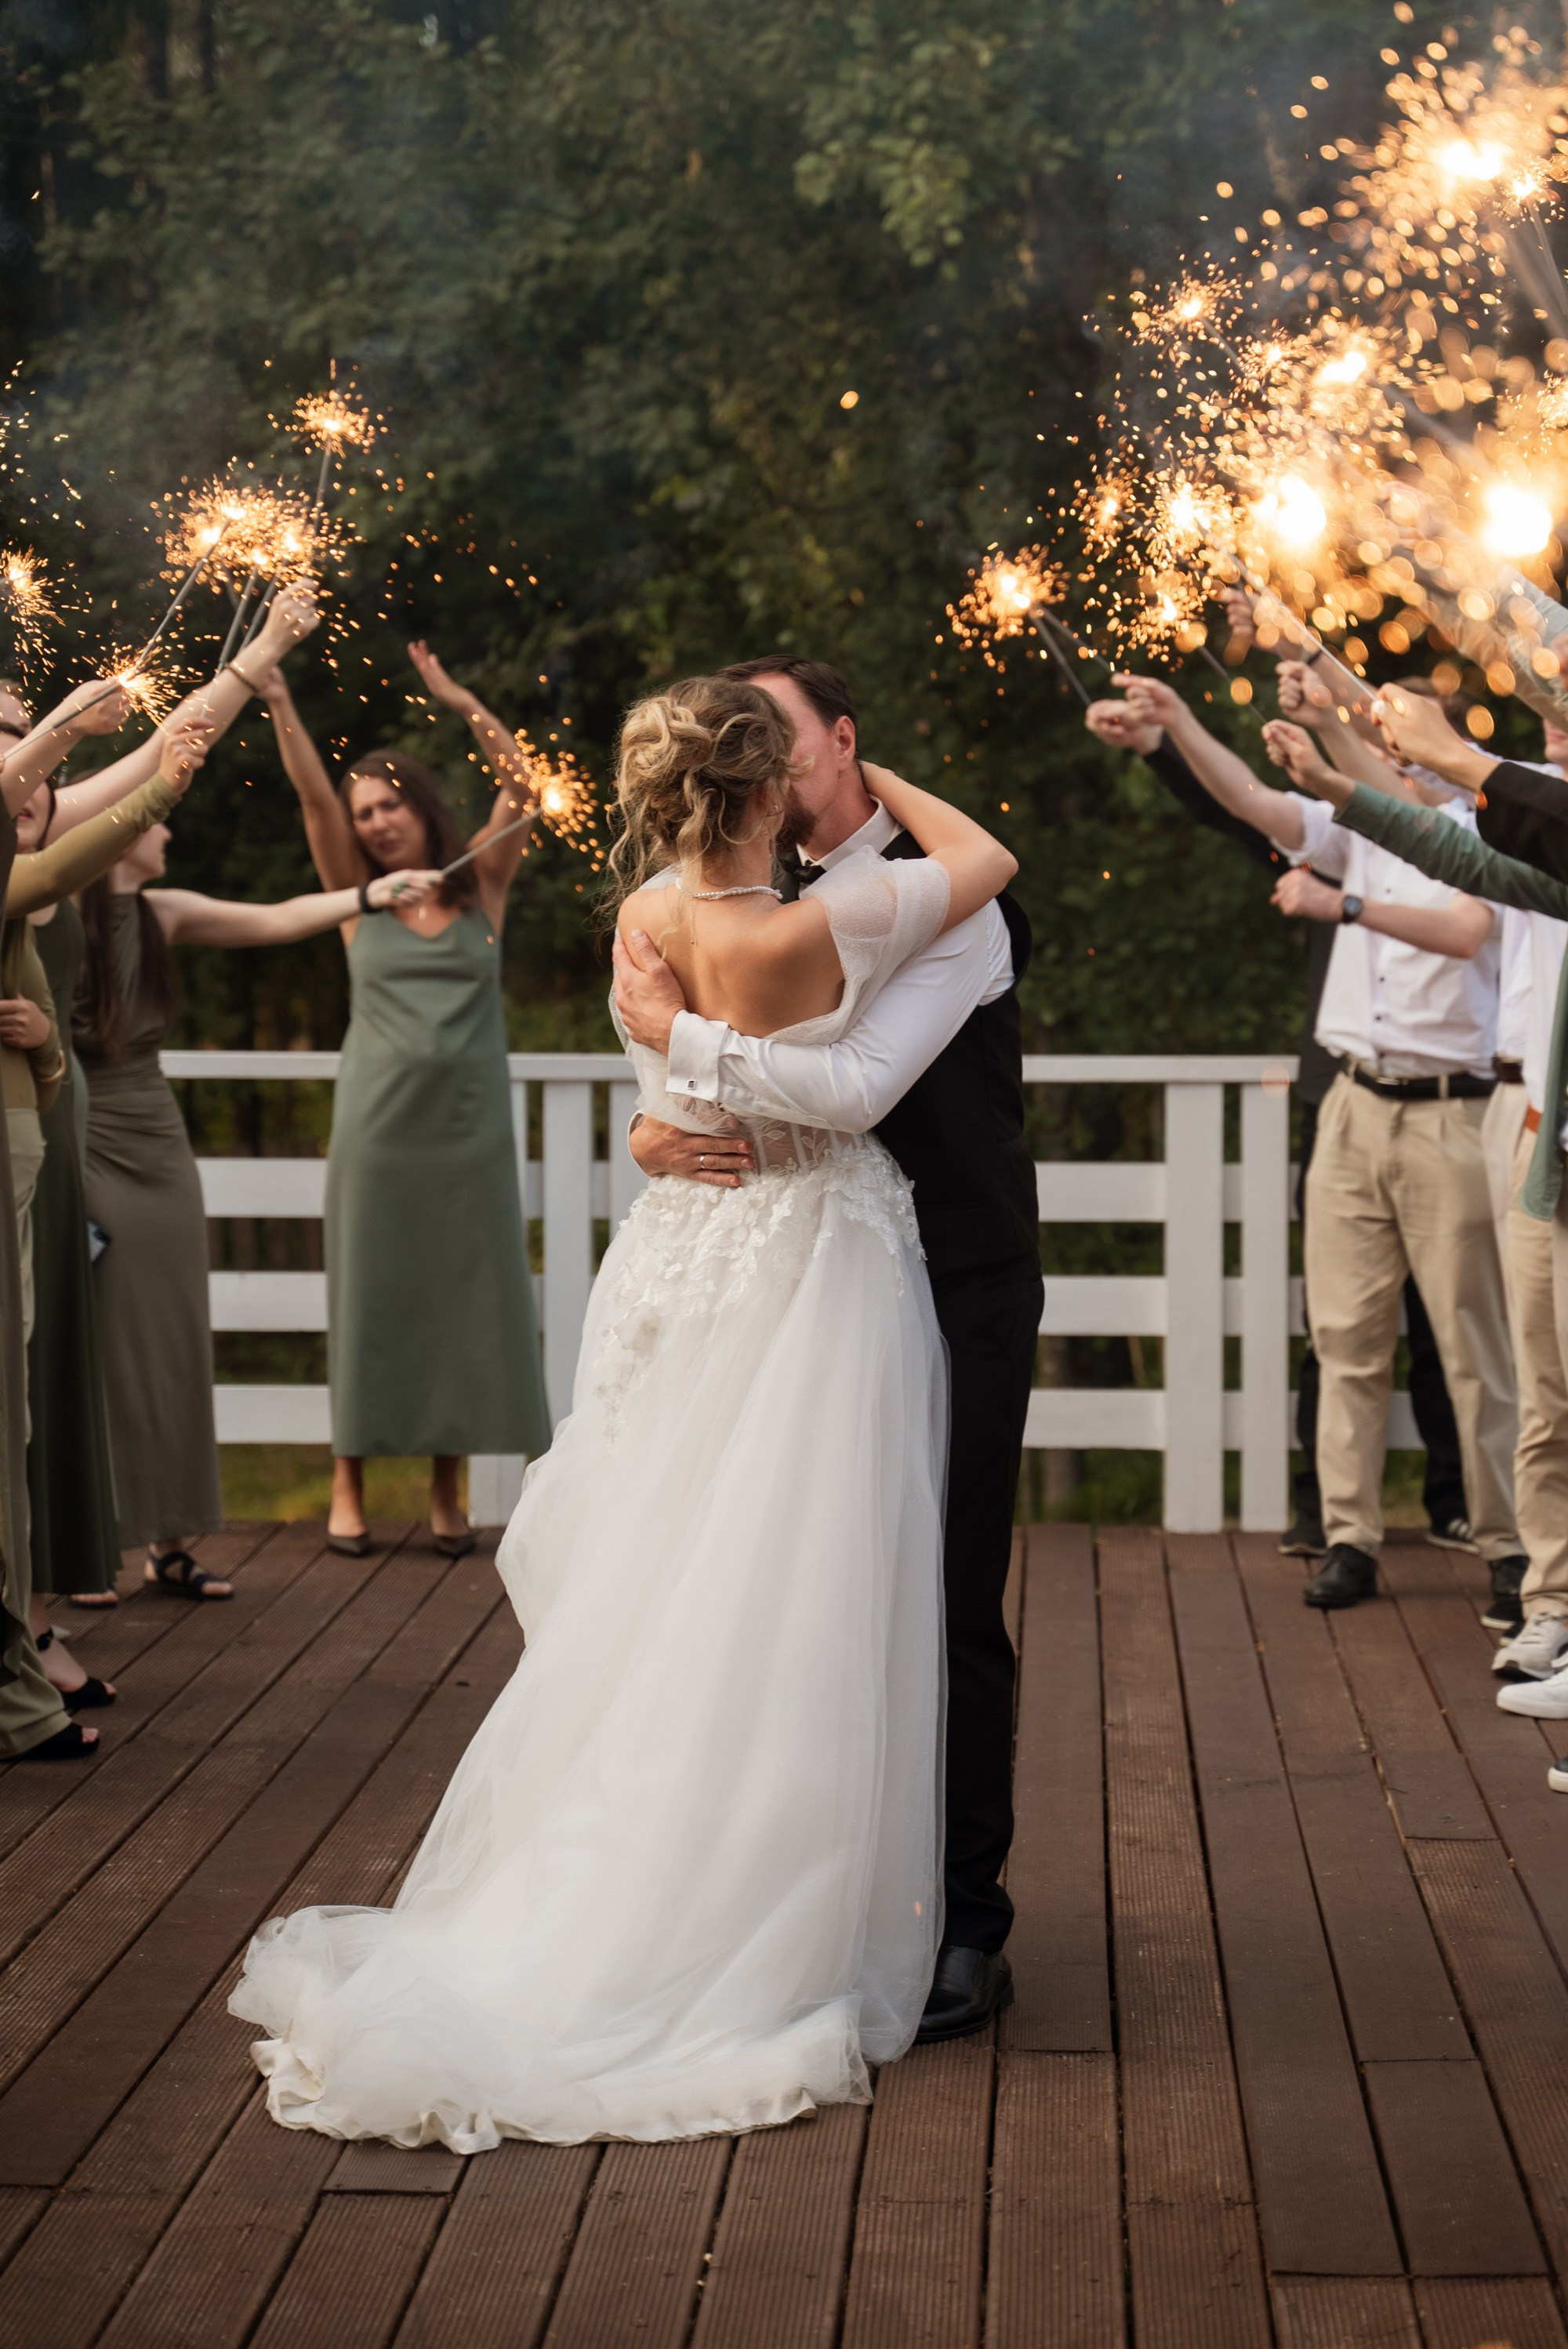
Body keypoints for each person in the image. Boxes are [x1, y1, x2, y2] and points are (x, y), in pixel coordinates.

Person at [230, 673, 1017, 2148]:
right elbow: (932, 952)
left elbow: (664, 1066)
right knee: (792, 1593)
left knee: (671, 1587)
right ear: (773, 784)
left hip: (684, 1261)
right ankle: (771, 1911)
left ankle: (641, 1877)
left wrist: (679, 1088)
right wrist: (883, 769)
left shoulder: (645, 920)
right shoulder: (818, 924)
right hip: (811, 1263)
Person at [615, 655, 1042, 2043]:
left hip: (953, 1281)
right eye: (757, 758)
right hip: (787, 1279)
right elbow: (657, 1096)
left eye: (793, 747)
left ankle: (964, 1918)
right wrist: (651, 1123)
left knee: (948, 1596)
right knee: (777, 1590)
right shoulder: (724, 894)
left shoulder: (955, 907)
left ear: (843, 742)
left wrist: (687, 1042)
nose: (777, 778)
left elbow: (856, 1092)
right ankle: (803, 1896)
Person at [1118, 673, 1526, 1623]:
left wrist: (1342, 908)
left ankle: (1509, 1548)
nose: (1375, 750)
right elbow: (1251, 801)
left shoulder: (1485, 828)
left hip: (1450, 1112)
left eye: (1390, 736)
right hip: (1350, 1104)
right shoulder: (1355, 830)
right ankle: (1349, 1537)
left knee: (1472, 1345)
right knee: (1342, 1336)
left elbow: (1466, 929)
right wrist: (1178, 719)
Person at [1272, 696, 1568, 1737]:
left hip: (1487, 1114)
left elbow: (1457, 845)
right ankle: (1544, 1604)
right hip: (1515, 1125)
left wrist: (1422, 751)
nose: (1553, 729)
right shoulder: (1506, 820)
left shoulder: (1526, 814)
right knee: (1527, 1385)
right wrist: (1330, 769)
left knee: (1498, 1360)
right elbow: (1435, 828)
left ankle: (1523, 1570)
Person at [77, 757, 443, 1598]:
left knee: (172, 1335)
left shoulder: (162, 912)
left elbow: (278, 919)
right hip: (83, 1135)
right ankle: (87, 1542)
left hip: (156, 1143)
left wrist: (367, 895)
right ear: (125, 832)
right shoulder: (52, 915)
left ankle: (168, 1540)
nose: (171, 831)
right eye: (160, 820)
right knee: (101, 1344)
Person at [256, 645, 550, 1558]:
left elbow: (526, 789)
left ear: (420, 806)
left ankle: (444, 1489)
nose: (376, 823)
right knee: (370, 1296)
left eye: (388, 805)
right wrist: (275, 695)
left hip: (468, 1137)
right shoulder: (360, 901)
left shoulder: (482, 884)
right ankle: (346, 1483)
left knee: (459, 1301)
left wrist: (462, 698)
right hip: (377, 1129)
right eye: (363, 814)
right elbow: (309, 796)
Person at [10, 717, 215, 1701]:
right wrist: (157, 776)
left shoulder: (38, 876)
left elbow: (48, 1066)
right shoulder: (31, 882)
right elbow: (56, 868)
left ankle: (33, 1619)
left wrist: (47, 1040)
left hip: (42, 1145)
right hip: (38, 1151)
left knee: (37, 1384)